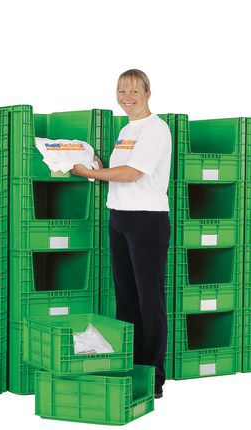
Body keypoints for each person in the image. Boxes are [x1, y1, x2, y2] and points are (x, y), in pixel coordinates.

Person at [71, 69, 171, 398]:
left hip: (147, 220)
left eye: (133, 91)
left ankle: (153, 378)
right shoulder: (127, 130)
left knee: (149, 299)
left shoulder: (155, 129)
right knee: (127, 299)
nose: (126, 97)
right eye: (121, 91)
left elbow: (131, 173)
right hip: (120, 217)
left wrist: (88, 173)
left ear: (148, 93)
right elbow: (120, 172)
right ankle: (131, 368)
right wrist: (97, 169)